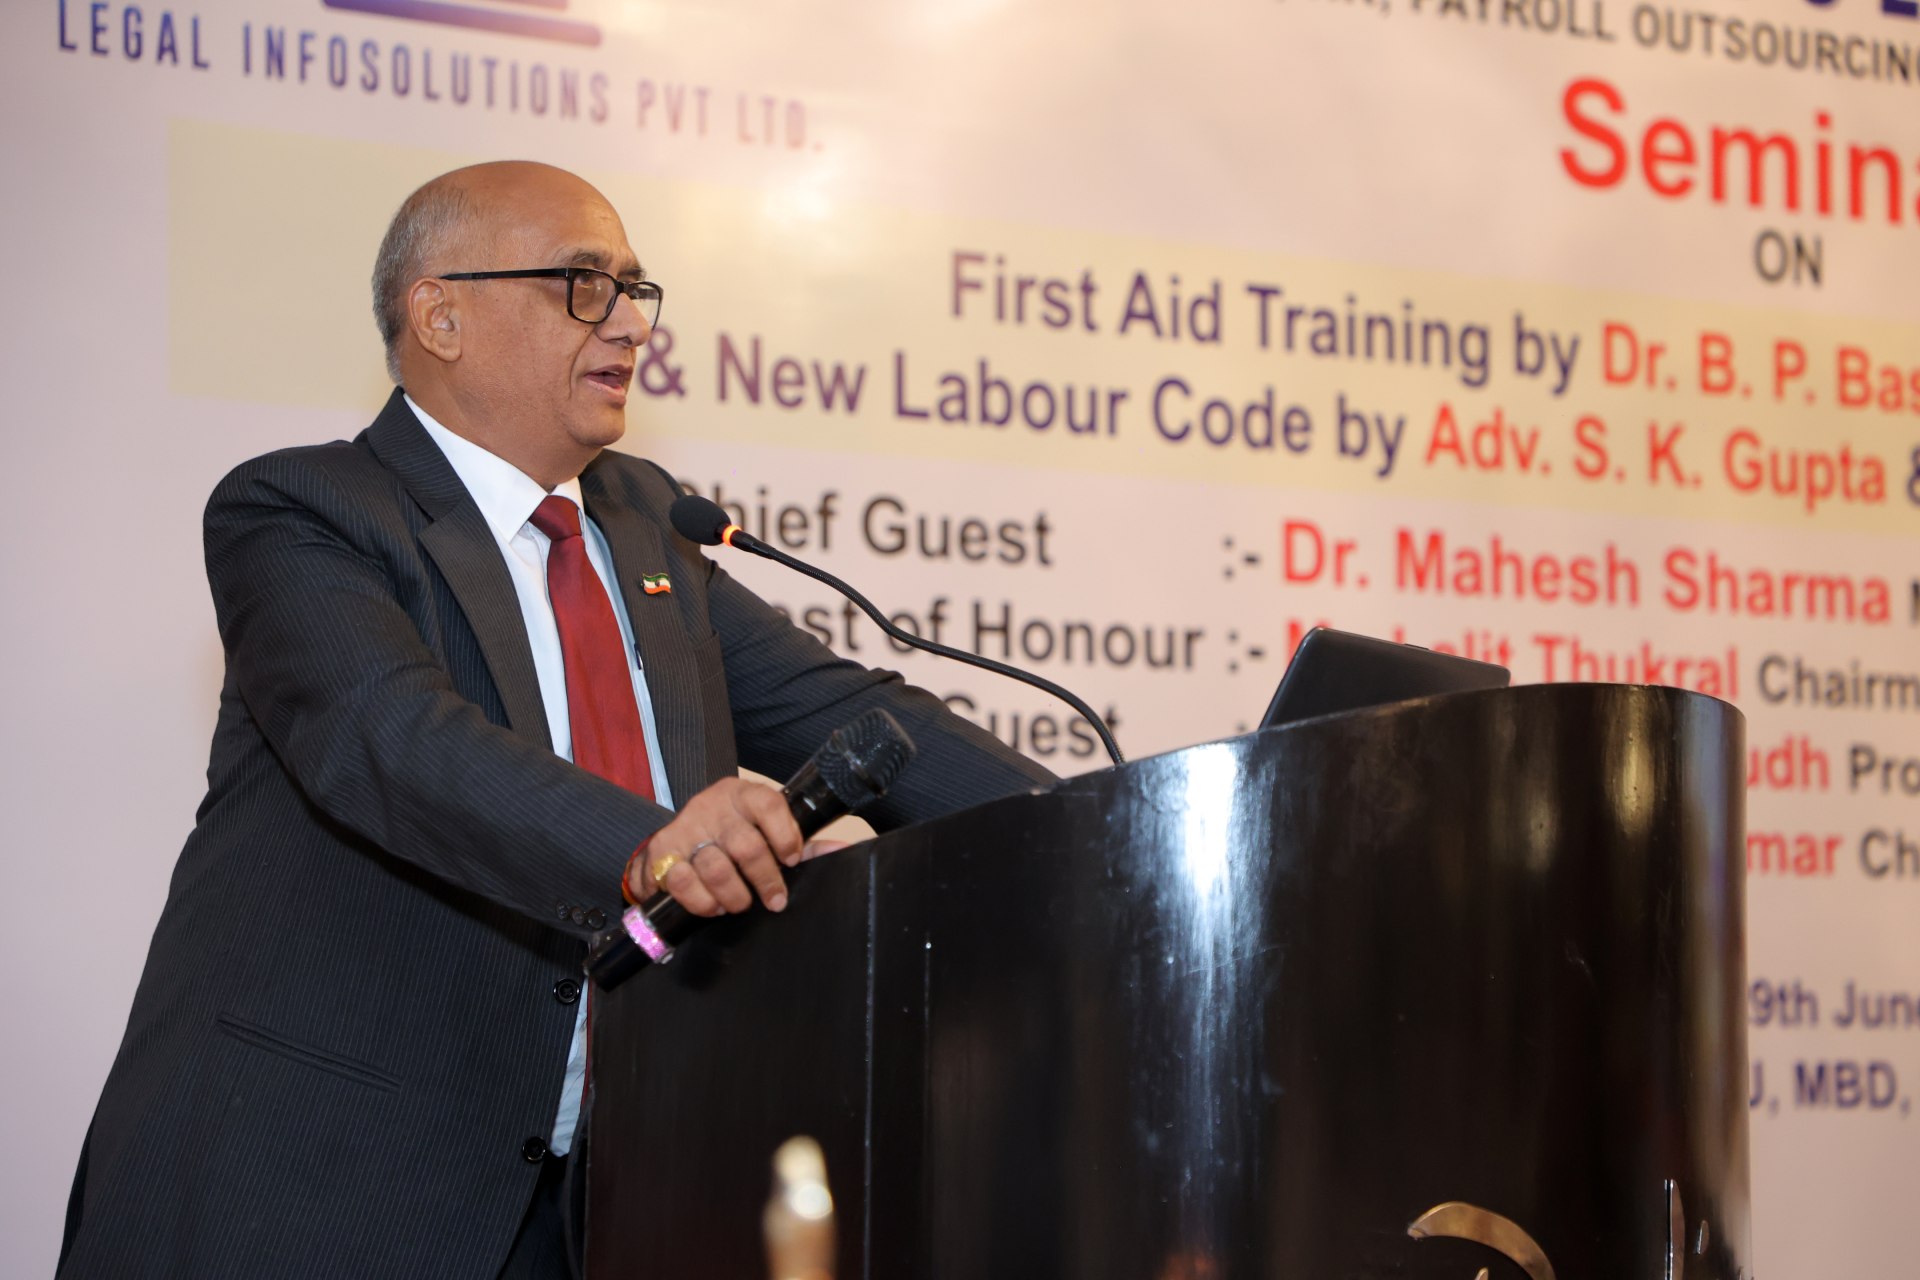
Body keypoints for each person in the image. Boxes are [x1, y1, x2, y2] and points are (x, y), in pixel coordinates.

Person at [58, 161, 1057, 1279]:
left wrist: (1111, 835)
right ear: (439, 314)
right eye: (584, 284)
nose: (630, 322)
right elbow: (391, 739)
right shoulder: (306, 510)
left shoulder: (645, 526)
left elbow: (854, 713)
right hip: (314, 1189)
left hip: (597, 1200)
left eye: (635, 290)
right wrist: (655, 846)